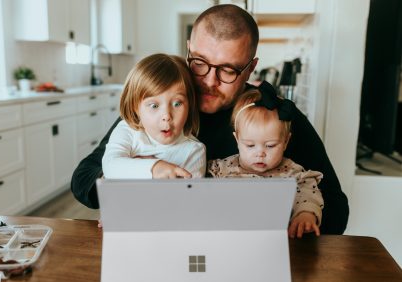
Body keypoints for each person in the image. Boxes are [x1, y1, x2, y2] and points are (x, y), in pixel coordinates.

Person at [71, 4, 349, 234]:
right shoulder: (157, 109)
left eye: (228, 70)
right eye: (199, 63)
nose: (208, 81)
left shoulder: (271, 115)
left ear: (251, 67)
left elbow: (336, 207)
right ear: (189, 48)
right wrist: (136, 178)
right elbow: (83, 180)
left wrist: (286, 216)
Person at [207, 89, 324, 238]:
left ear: (286, 141)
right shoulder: (220, 169)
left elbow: (308, 196)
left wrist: (305, 215)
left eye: (270, 145)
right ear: (237, 140)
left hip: (273, 241)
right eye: (250, 145)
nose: (260, 153)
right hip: (229, 239)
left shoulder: (293, 174)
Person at [102, 53, 206, 179]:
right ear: (136, 108)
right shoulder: (127, 131)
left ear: (189, 105)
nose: (166, 116)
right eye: (154, 106)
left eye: (177, 103)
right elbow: (110, 166)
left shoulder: (194, 151)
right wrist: (154, 167)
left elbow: (189, 196)